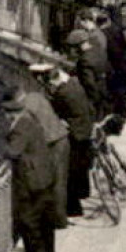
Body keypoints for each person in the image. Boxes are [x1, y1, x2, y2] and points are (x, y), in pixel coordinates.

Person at [4, 91, 58, 252]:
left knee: (27, 218)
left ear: (11, 113)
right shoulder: (30, 120)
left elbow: (13, 151)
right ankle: (49, 251)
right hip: (44, 174)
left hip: (31, 179)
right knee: (44, 216)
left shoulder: (19, 127)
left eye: (6, 113)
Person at [39, 64, 96, 218]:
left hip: (76, 134)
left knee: (70, 171)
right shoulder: (73, 84)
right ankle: (83, 194)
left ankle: (73, 209)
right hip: (85, 130)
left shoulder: (63, 93)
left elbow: (54, 112)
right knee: (81, 169)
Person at [22, 68, 72, 231]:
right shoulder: (37, 97)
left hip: (54, 143)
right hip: (61, 138)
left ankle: (59, 221)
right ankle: (59, 218)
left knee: (56, 183)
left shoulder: (26, 106)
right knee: (60, 181)